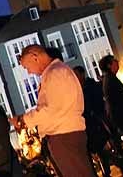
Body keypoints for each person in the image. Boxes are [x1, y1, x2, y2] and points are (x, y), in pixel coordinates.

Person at [10, 44, 93, 177]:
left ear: (35, 57)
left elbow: (50, 110)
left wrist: (23, 120)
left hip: (63, 135)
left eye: (27, 67)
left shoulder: (55, 73)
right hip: (66, 134)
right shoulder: (57, 71)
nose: (29, 72)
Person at [73, 65, 113, 177]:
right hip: (85, 124)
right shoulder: (77, 89)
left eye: (76, 74)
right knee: (94, 150)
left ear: (82, 74)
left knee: (100, 148)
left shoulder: (90, 86)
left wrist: (94, 113)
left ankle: (114, 166)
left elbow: (97, 101)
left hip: (94, 121)